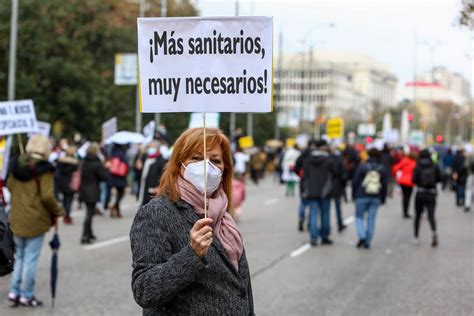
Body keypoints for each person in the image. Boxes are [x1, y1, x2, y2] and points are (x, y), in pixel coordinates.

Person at [130, 128, 254, 314]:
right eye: (196, 158)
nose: (206, 166)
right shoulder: (157, 212)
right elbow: (145, 290)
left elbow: (240, 287)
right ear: (179, 165)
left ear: (224, 169)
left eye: (215, 160)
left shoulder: (223, 215)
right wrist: (192, 255)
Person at [7, 135, 64, 307]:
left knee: (20, 257)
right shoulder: (44, 169)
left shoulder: (15, 165)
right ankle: (26, 294)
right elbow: (47, 195)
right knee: (30, 259)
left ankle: (13, 290)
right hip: (36, 219)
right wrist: (58, 210)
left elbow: (9, 186)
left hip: (17, 217)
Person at [300, 140, 335, 246]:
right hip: (325, 191)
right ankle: (324, 237)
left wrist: (304, 190)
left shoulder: (308, 160)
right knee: (325, 215)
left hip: (312, 191)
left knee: (313, 215)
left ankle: (313, 238)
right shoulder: (328, 159)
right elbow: (335, 174)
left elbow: (304, 177)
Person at [352, 148, 388, 249]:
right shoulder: (382, 168)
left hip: (361, 195)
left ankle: (362, 235)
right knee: (371, 219)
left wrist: (354, 195)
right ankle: (367, 241)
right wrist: (383, 198)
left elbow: (355, 181)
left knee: (359, 217)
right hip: (376, 196)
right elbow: (384, 185)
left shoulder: (362, 166)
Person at [79, 143, 108, 244]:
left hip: (84, 189)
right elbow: (103, 177)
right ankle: (85, 235)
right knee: (89, 214)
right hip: (93, 190)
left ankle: (90, 233)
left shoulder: (84, 161)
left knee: (89, 212)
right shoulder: (97, 163)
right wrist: (106, 168)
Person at [412, 149, 442, 247]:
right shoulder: (434, 165)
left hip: (420, 192)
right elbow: (440, 178)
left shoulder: (417, 165)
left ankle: (416, 237)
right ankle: (434, 232)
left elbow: (414, 179)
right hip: (431, 193)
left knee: (418, 216)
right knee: (431, 215)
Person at [294, 139, 316, 231]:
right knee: (312, 204)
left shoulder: (301, 155)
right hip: (313, 181)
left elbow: (296, 168)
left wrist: (300, 175)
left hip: (303, 181)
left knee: (303, 202)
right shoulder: (314, 155)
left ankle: (301, 218)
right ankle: (310, 223)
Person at [138, 141, 166, 207]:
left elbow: (163, 175)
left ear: (157, 149)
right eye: (149, 147)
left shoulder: (161, 161)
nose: (150, 149)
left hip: (154, 188)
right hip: (144, 185)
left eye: (152, 147)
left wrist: (159, 186)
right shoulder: (146, 158)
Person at [56, 146, 79, 224]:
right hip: (71, 183)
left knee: (65, 200)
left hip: (62, 183)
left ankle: (65, 214)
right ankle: (67, 216)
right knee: (69, 200)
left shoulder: (61, 161)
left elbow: (57, 173)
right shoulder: (75, 163)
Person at [106, 144, 128, 218]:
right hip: (120, 177)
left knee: (118, 194)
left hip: (113, 176)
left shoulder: (112, 153)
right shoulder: (122, 153)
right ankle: (115, 207)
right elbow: (126, 164)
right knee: (121, 194)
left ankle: (117, 211)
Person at [392, 151, 417, 218]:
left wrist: (395, 176)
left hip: (403, 181)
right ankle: (406, 212)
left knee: (404, 197)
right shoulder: (415, 163)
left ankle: (404, 211)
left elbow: (395, 168)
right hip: (410, 182)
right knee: (408, 197)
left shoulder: (404, 161)